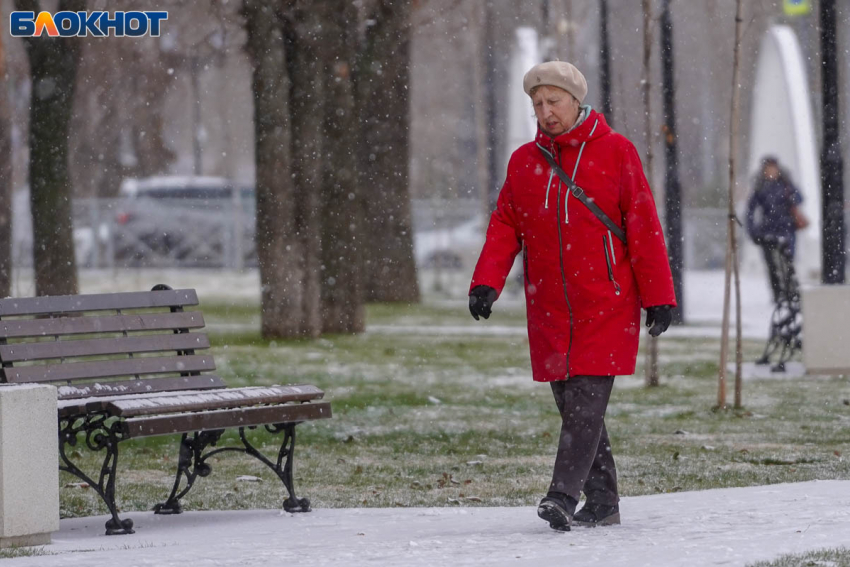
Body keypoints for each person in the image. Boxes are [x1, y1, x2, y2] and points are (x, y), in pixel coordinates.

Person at [468, 61, 676, 532]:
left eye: (554, 101)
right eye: (538, 104)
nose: (546, 111)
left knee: (585, 402)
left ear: (576, 100)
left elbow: (642, 225)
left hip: (606, 299)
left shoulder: (617, 152)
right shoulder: (525, 162)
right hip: (550, 307)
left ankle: (562, 496)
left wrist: (658, 295)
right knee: (575, 405)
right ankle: (603, 502)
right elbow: (506, 224)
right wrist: (486, 282)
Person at [745, 156, 804, 303]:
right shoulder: (760, 187)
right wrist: (752, 230)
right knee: (772, 264)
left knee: (787, 262)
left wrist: (790, 196)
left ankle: (790, 291)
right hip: (768, 231)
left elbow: (799, 198)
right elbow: (750, 210)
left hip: (786, 229)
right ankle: (778, 293)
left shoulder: (785, 184)